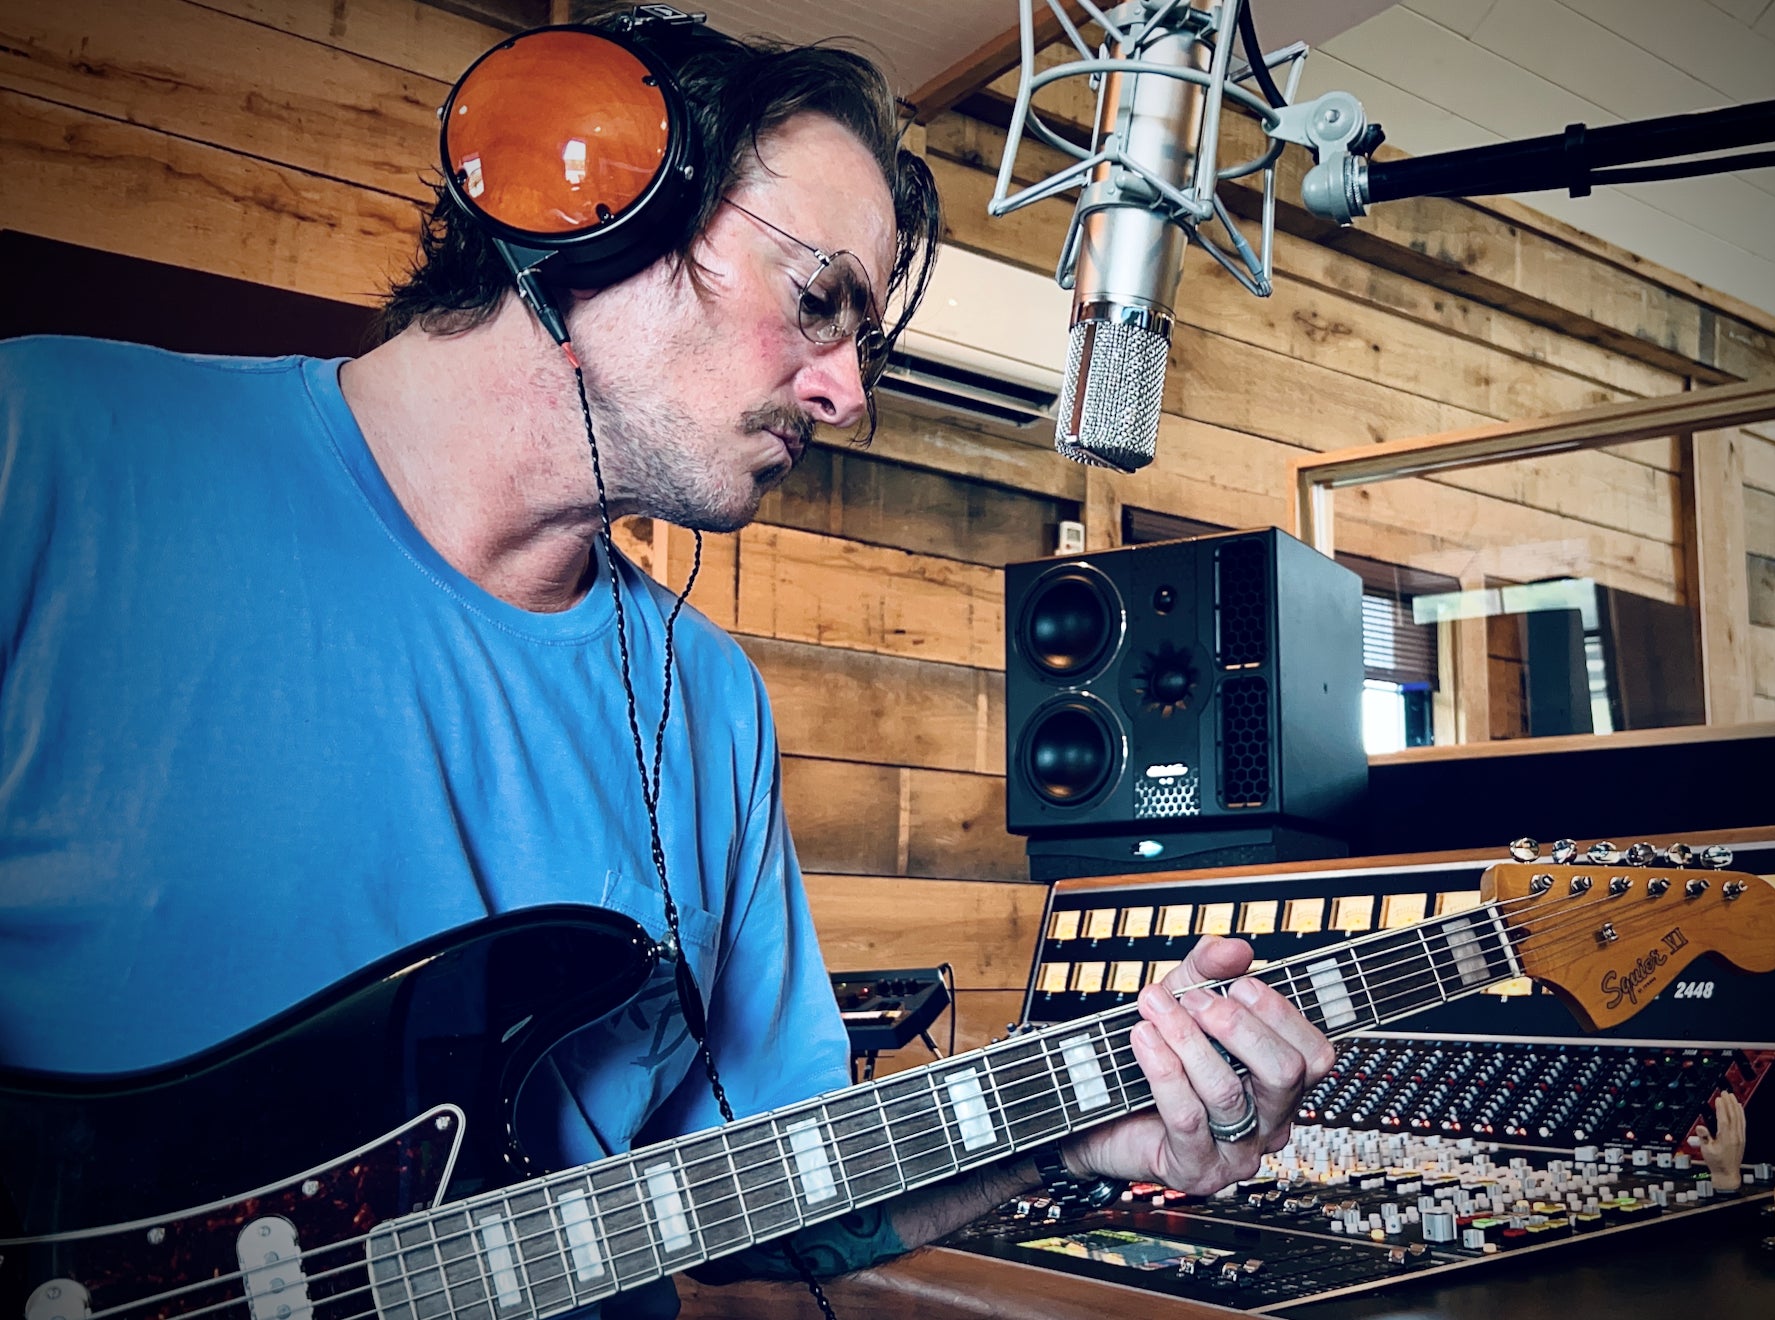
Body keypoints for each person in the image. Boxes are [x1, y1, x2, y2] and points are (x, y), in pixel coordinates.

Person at [0, 10, 1334, 1316]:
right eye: (820, 303)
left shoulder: (708, 702)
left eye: (863, 343)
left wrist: (1076, 1133)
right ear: (600, 210)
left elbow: (775, 1188)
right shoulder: (45, 452)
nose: (846, 395)